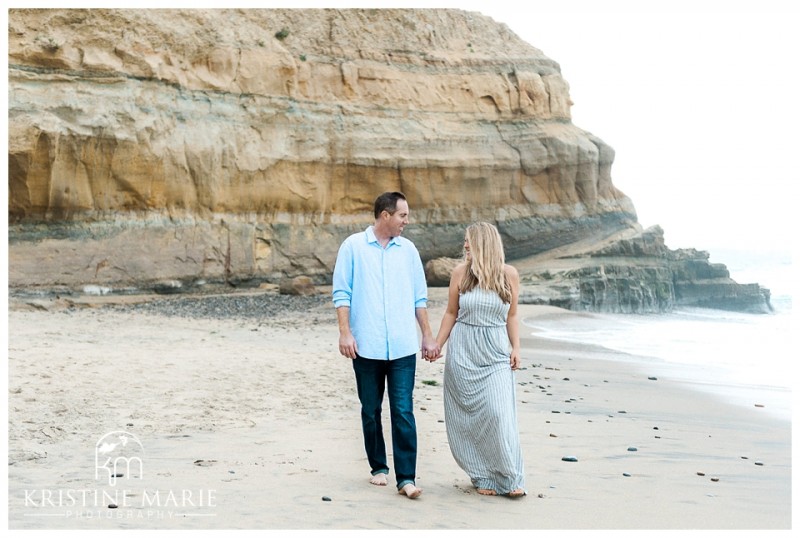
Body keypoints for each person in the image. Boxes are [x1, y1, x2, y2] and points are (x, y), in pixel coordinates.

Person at [332, 191, 439, 499]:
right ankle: (378, 467)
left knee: (403, 410)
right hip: (366, 345)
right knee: (370, 409)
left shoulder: (408, 250)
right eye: (403, 215)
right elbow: (342, 294)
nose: (407, 221)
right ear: (385, 216)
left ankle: (406, 477)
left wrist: (427, 336)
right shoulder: (353, 247)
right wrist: (345, 333)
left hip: (404, 346)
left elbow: (419, 298)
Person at [430, 221, 526, 498]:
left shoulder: (509, 275)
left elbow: (512, 315)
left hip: (495, 351)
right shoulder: (461, 273)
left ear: (482, 243)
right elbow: (451, 313)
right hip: (464, 351)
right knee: (469, 417)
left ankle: (510, 477)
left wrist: (516, 347)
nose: (464, 245)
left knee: (498, 414)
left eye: (468, 240)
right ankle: (482, 474)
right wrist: (437, 345)